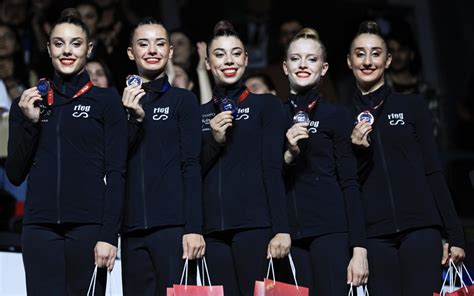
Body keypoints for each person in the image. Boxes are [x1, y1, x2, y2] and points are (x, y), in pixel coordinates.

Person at [5, 8, 127, 295]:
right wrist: (31, 124)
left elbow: (117, 172)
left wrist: (109, 236)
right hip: (39, 230)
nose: (67, 51)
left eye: (76, 43)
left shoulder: (106, 100)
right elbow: (15, 174)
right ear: (48, 49)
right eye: (59, 43)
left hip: (88, 229)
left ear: (89, 48)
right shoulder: (28, 103)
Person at [348, 21, 465, 295]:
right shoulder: (341, 118)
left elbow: (433, 170)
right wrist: (358, 151)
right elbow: (347, 185)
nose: (368, 61)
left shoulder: (413, 106)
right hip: (374, 235)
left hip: (421, 228)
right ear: (349, 61)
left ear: (387, 60)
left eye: (376, 53)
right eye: (360, 53)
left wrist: (455, 234)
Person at [200, 20, 291, 296]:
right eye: (219, 54)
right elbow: (192, 171)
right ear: (207, 63)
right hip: (212, 233)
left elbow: (273, 168)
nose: (229, 60)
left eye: (236, 53)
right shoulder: (199, 113)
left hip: (256, 227)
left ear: (246, 59)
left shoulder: (267, 105)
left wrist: (281, 229)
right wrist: (214, 141)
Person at [120, 17, 205, 296]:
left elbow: (192, 165)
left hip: (173, 228)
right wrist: (132, 120)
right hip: (131, 230)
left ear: (169, 51)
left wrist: (193, 228)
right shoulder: (117, 104)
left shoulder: (183, 100)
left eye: (160, 44)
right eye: (143, 44)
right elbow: (115, 164)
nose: (152, 50)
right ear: (131, 52)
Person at [282, 27, 368, 295]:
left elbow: (350, 182)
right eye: (296, 58)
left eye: (312, 58)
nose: (304, 64)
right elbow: (265, 177)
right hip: (288, 237)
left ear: (324, 67)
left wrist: (359, 248)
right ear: (285, 67)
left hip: (330, 231)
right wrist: (288, 155)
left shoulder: (337, 115)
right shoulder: (272, 114)